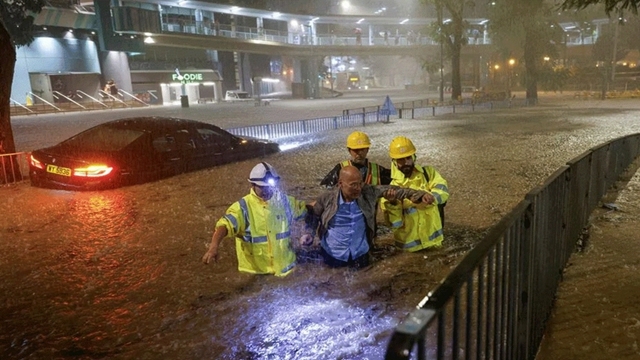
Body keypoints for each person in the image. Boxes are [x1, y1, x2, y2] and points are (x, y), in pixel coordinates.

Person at [308, 165, 432, 268]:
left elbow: (398, 190)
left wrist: (419, 195)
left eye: (360, 183)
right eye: (353, 185)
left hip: (360, 255)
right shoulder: (326, 198)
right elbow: (314, 216)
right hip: (332, 255)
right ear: (341, 184)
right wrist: (308, 234)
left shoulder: (368, 192)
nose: (358, 188)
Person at [201, 162, 310, 277]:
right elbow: (224, 226)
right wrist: (213, 247)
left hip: (287, 271)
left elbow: (308, 211)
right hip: (257, 275)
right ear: (252, 185)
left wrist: (309, 230)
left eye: (269, 186)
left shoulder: (286, 202)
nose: (267, 190)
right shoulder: (242, 208)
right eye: (262, 187)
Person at [380, 136, 449, 251]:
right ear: (394, 162)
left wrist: (430, 197)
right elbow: (395, 225)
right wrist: (392, 203)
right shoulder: (391, 189)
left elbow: (443, 191)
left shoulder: (429, 173)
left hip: (434, 243)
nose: (406, 162)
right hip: (409, 250)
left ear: (414, 157)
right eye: (401, 160)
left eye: (408, 158)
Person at [320, 131, 391, 188]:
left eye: (362, 149)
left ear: (367, 149)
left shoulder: (378, 170)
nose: (359, 153)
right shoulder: (340, 168)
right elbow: (327, 187)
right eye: (356, 150)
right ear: (349, 150)